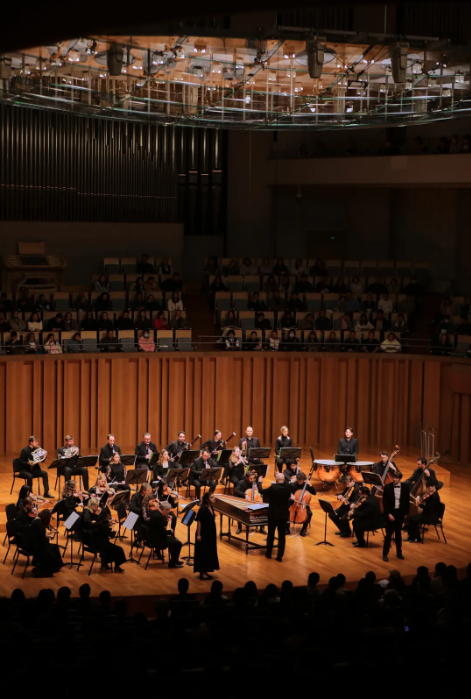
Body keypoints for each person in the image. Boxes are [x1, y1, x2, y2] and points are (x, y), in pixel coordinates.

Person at [82, 497, 126, 572]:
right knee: (118, 549)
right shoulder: (102, 524)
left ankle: (104, 563)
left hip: (95, 540)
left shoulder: (99, 523)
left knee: (109, 545)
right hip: (98, 543)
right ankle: (116, 567)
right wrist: (113, 530)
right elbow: (111, 535)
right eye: (97, 506)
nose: (98, 508)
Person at [257, 472, 292, 562]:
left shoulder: (273, 488)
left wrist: (259, 482)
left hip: (273, 515)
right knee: (281, 536)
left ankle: (268, 554)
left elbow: (261, 491)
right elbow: (291, 497)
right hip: (283, 515)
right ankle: (280, 556)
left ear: (276, 480)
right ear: (283, 479)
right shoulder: (288, 487)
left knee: (271, 534)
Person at [144, 499, 183, 568]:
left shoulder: (156, 513)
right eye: (168, 512)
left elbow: (160, 527)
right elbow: (163, 532)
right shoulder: (158, 517)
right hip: (157, 541)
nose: (168, 513)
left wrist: (167, 520)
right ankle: (172, 563)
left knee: (174, 539)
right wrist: (170, 531)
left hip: (154, 537)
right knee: (178, 543)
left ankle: (174, 560)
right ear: (164, 510)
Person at [27, 509, 64, 577]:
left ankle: (57, 566)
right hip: (37, 547)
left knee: (55, 547)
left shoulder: (38, 521)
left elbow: (41, 535)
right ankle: (46, 569)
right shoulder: (38, 524)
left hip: (39, 543)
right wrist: (50, 535)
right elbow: (42, 537)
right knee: (53, 556)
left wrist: (51, 532)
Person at [382, 473, 409, 561]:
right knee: (389, 534)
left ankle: (399, 552)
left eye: (396, 478)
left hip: (400, 513)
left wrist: (406, 513)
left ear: (400, 478)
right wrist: (389, 514)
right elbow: (384, 502)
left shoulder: (405, 487)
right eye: (394, 477)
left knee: (398, 534)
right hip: (391, 512)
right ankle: (385, 554)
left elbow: (406, 501)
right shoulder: (388, 487)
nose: (394, 479)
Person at [194, 492, 220, 580]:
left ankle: (206, 570)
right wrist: (198, 535)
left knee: (209, 552)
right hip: (203, 533)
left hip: (210, 533)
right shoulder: (203, 509)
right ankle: (202, 573)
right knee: (203, 553)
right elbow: (199, 522)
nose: (214, 498)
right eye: (212, 497)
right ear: (207, 499)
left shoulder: (211, 507)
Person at [287, 471, 316, 537]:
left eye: (301, 481)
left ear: (303, 480)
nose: (299, 482)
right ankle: (287, 529)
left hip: (303, 504)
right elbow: (287, 492)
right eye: (298, 481)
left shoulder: (307, 485)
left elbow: (314, 492)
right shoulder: (292, 485)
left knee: (309, 514)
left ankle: (304, 530)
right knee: (286, 511)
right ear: (296, 479)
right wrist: (290, 495)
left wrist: (311, 485)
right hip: (293, 503)